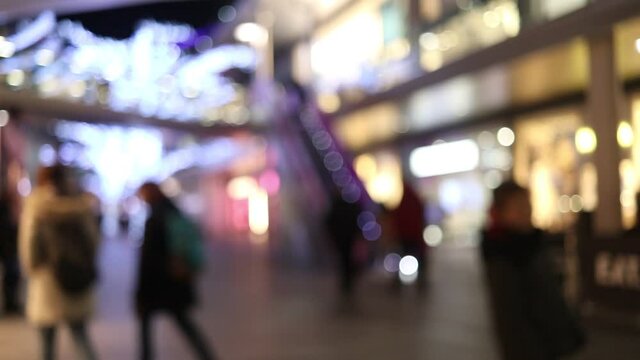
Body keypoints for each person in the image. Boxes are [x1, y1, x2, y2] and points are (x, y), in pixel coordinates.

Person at [481, 181, 584, 360]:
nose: (526, 211)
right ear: (501, 212)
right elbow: (510, 317)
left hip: (553, 341)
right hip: (532, 349)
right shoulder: (504, 251)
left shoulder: (532, 242)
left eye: (528, 205)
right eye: (519, 207)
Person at [18, 165, 100, 360]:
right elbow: (93, 240)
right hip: (75, 276)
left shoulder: (37, 204)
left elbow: (29, 241)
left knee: (47, 342)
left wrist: (30, 267)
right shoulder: (79, 203)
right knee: (80, 336)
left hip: (46, 276)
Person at [136, 182, 216, 360]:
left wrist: (140, 292)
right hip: (176, 282)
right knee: (184, 323)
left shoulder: (155, 219)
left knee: (146, 327)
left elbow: (148, 260)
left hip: (156, 285)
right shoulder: (174, 212)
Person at [389, 180, 428, 289]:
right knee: (419, 259)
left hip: (406, 236)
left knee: (402, 258)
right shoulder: (414, 200)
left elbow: (397, 219)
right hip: (413, 235)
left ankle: (398, 283)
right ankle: (421, 282)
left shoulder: (405, 202)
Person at [325, 190, 362, 298]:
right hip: (348, 238)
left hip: (341, 238)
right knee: (347, 259)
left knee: (344, 260)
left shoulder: (336, 208)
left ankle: (346, 280)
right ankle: (347, 280)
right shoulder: (350, 209)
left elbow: (329, 222)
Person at [1, 188, 21, 315]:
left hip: (8, 246)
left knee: (12, 275)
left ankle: (11, 303)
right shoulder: (5, 206)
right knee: (11, 274)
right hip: (7, 245)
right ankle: (10, 304)